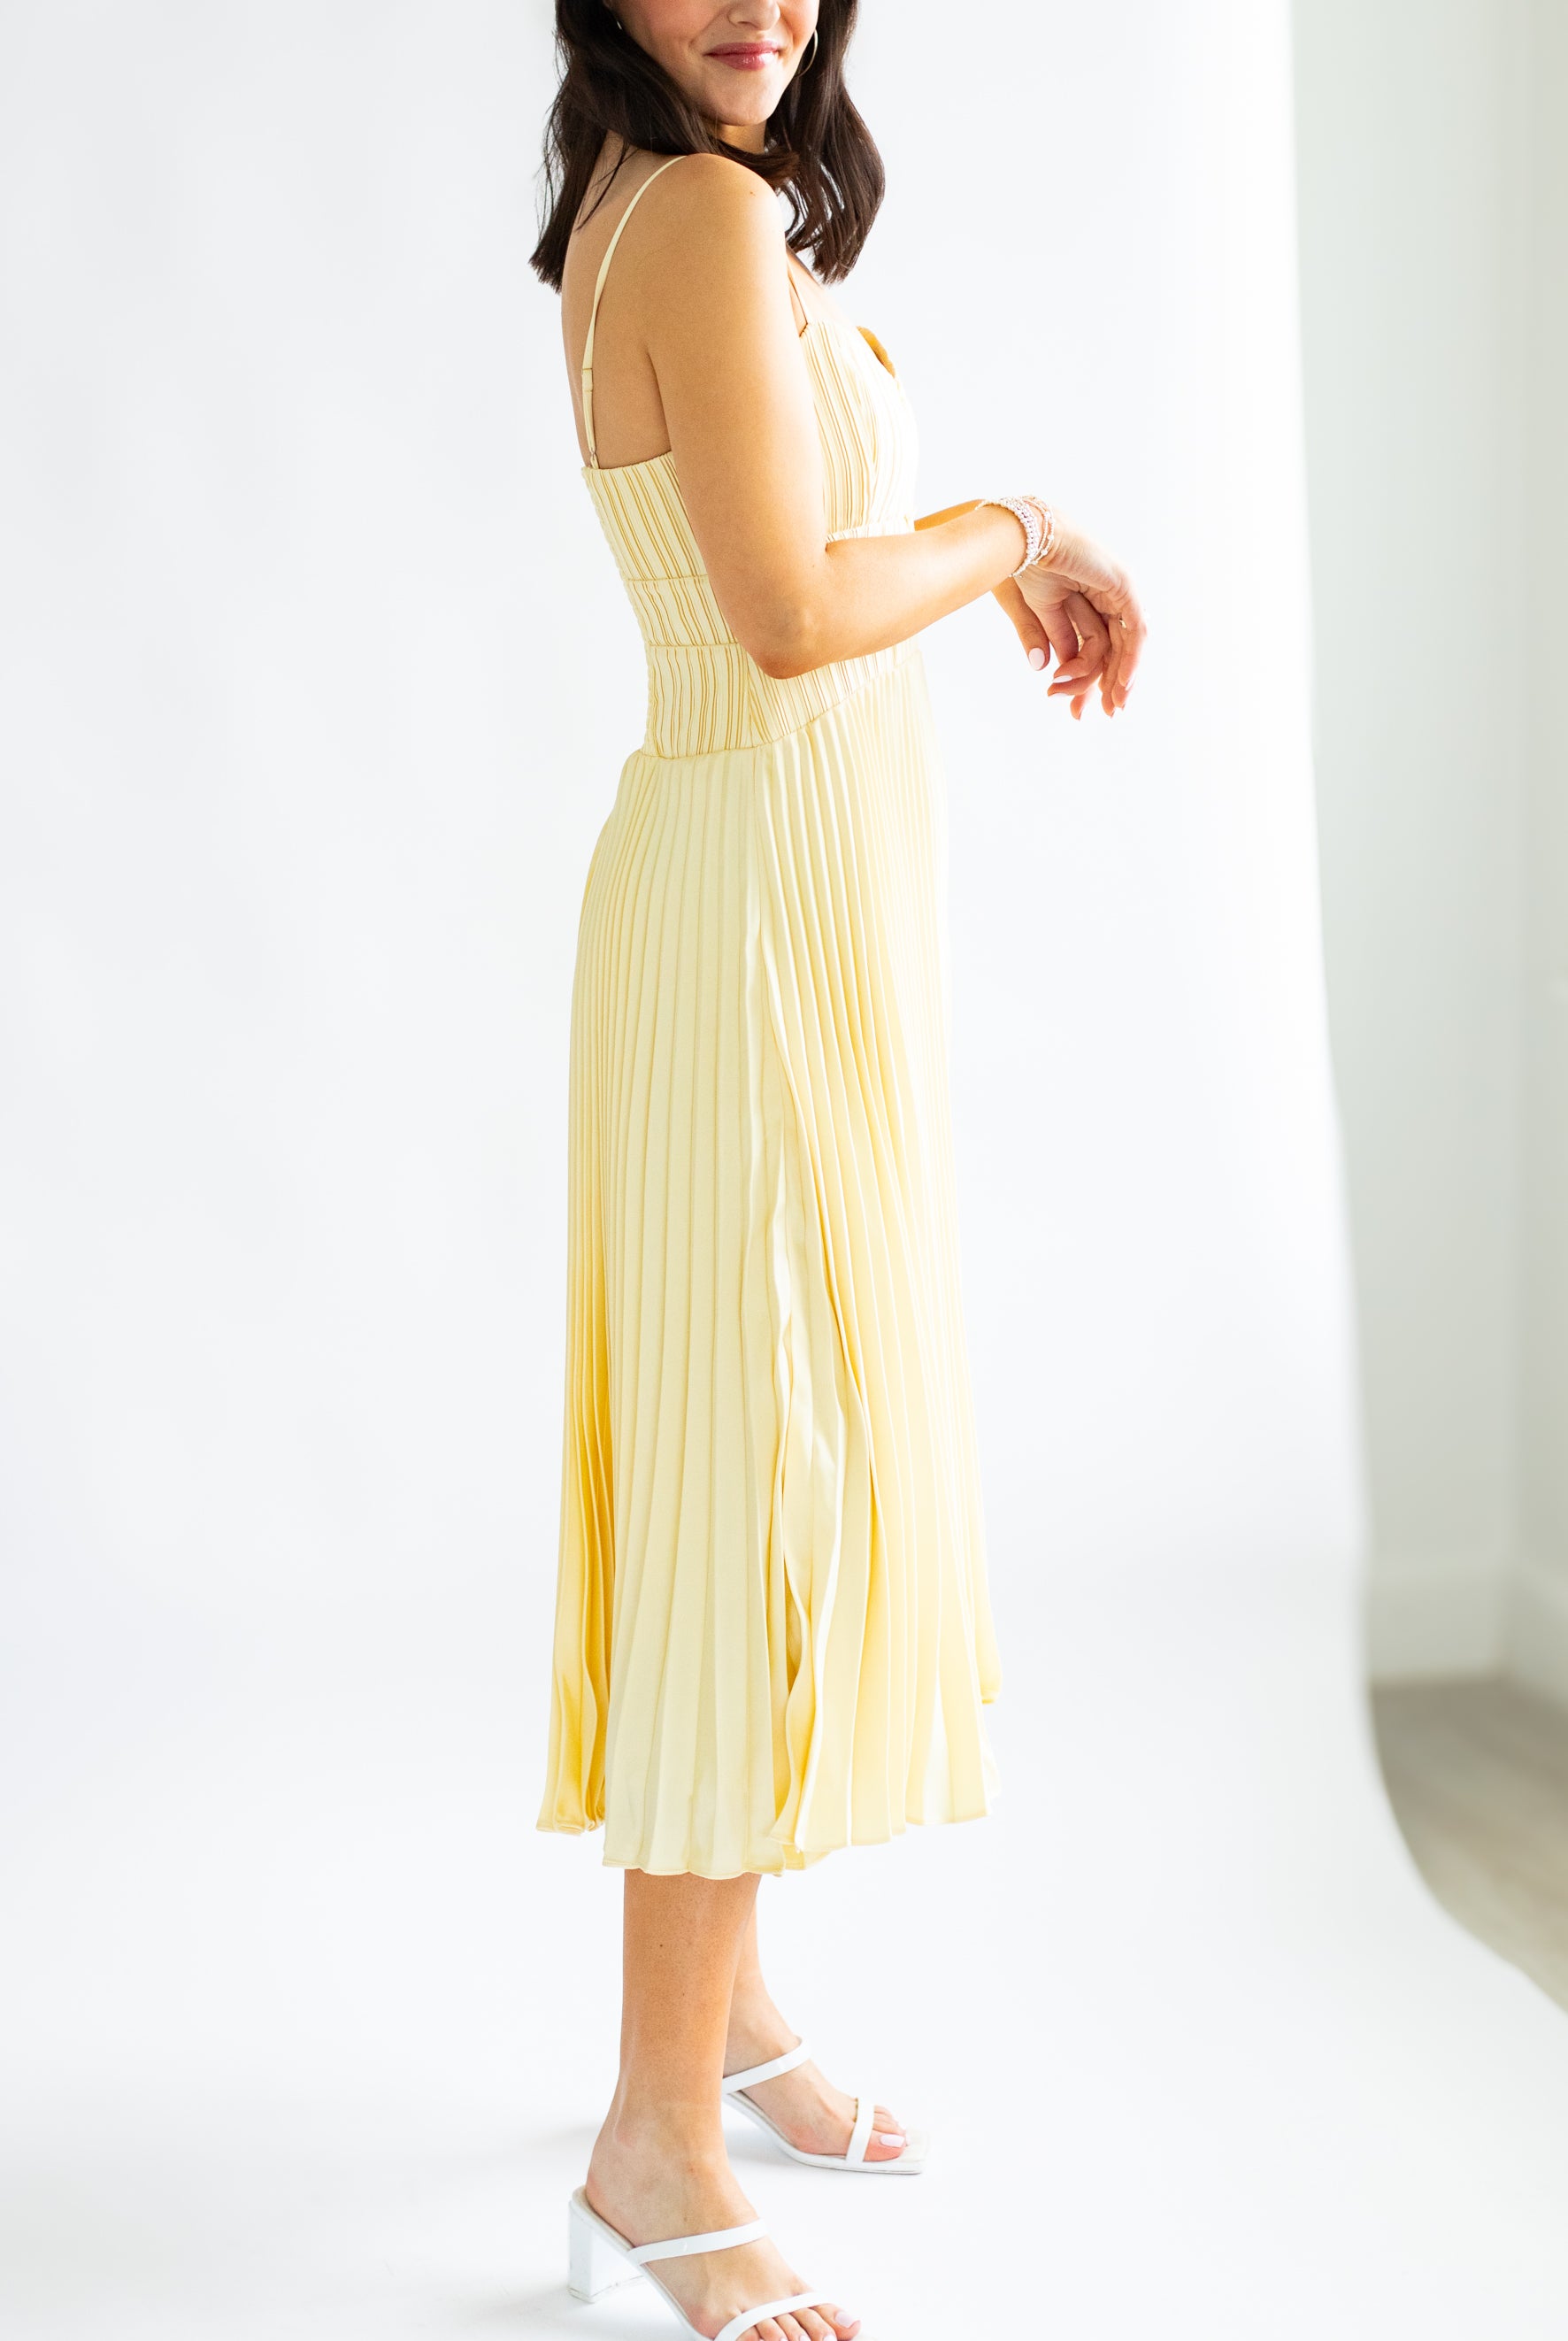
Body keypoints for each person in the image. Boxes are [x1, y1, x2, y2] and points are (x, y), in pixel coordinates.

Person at [530, 6, 1144, 2337]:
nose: (757, 2)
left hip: (760, 889)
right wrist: (1010, 528)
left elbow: (781, 573)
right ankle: (653, 2134)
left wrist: (991, 548)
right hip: (747, 908)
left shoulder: (674, 196)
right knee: (751, 1494)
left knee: (759, 1456)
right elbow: (785, 617)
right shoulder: (688, 209)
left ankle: (731, 2014)